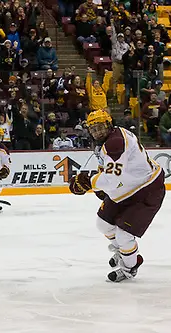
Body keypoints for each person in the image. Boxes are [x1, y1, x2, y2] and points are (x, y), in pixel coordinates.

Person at [68, 110, 165, 282]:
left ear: (109, 124)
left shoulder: (115, 143)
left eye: (100, 127)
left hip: (147, 189)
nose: (97, 132)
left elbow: (112, 178)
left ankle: (130, 267)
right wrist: (99, 185)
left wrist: (89, 182)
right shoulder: (109, 138)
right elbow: (110, 171)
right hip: (128, 186)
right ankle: (126, 252)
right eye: (93, 129)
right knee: (103, 224)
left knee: (124, 236)